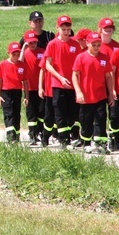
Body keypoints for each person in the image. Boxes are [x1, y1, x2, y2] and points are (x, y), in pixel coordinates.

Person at [72, 32, 114, 154]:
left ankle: (101, 144)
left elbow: (108, 76)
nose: (96, 47)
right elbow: (75, 75)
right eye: (94, 44)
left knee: (101, 119)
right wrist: (78, 91)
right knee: (86, 120)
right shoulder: (81, 57)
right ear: (88, 44)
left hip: (100, 95)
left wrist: (110, 94)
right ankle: (86, 143)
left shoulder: (104, 58)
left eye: (98, 44)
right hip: (86, 96)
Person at [44, 15, 81, 148]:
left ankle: (73, 137)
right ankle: (63, 140)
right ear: (57, 28)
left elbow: (78, 66)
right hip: (58, 84)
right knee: (59, 113)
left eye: (68, 29)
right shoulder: (52, 44)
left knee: (72, 113)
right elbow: (48, 65)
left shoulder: (75, 45)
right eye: (63, 29)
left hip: (72, 84)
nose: (66, 32)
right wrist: (60, 77)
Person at [0, 42, 28, 143]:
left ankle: (16, 136)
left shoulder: (22, 66)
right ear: (9, 53)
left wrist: (26, 96)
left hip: (17, 92)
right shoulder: (3, 65)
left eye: (18, 54)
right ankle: (10, 136)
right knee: (9, 114)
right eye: (14, 54)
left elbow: (25, 82)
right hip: (6, 92)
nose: (16, 57)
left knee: (16, 114)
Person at [20, 30, 45, 145]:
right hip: (28, 89)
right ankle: (32, 135)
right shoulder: (24, 53)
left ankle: (40, 132)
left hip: (40, 88)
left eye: (34, 42)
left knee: (41, 111)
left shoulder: (42, 52)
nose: (32, 45)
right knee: (31, 113)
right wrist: (23, 48)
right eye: (30, 43)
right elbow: (19, 63)